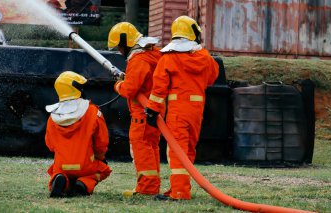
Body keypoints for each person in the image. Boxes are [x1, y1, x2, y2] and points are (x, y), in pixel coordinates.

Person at [145, 16, 219, 200]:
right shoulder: (205, 57)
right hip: (196, 111)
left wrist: (152, 109)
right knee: (188, 151)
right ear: (194, 33)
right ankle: (179, 187)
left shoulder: (169, 58)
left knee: (177, 152)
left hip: (178, 110)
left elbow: (159, 87)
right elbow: (212, 78)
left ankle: (179, 192)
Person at [108, 22, 164, 197]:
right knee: (151, 147)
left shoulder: (139, 59)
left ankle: (146, 189)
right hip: (155, 111)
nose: (119, 51)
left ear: (125, 43)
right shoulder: (153, 54)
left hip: (142, 113)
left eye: (119, 47)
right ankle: (151, 186)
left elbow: (130, 90)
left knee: (141, 148)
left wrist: (118, 85)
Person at [45, 71, 112, 198]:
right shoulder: (93, 111)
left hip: (62, 165)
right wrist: (100, 157)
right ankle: (84, 183)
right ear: (78, 89)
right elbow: (102, 143)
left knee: (57, 170)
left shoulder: (53, 116)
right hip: (86, 165)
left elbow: (50, 145)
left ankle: (60, 179)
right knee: (103, 170)